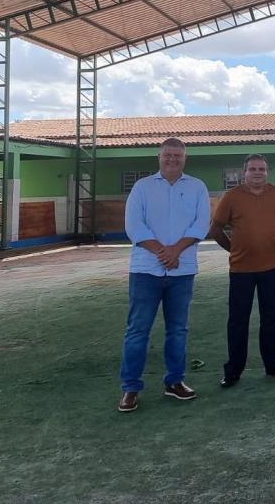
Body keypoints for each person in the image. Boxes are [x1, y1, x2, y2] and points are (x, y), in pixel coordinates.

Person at [117, 138, 211, 413]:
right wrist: (162, 252)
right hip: (146, 271)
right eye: (168, 155)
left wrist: (176, 251)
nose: (173, 159)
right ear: (159, 157)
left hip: (182, 271)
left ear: (185, 158)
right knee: (137, 330)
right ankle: (130, 388)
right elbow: (134, 225)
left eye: (178, 156)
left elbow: (201, 224)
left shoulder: (196, 187)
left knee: (178, 329)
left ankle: (175, 382)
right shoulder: (142, 187)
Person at [209, 153, 275, 387]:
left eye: (262, 169)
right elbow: (215, 229)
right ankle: (233, 371)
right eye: (253, 169)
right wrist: (233, 249)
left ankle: (274, 366)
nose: (258, 173)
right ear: (244, 172)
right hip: (241, 270)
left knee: (271, 319)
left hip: (271, 268)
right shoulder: (232, 196)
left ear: (267, 172)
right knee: (238, 321)